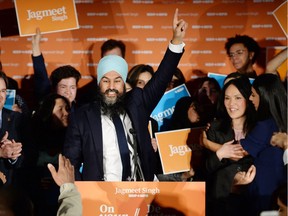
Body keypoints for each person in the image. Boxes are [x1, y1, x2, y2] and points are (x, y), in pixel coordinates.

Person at [63, 8, 187, 181]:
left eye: (117, 81)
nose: (111, 87)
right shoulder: (82, 117)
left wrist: (176, 41)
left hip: (141, 192)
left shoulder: (137, 103)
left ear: (124, 83)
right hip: (102, 199)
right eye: (106, 80)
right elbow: (71, 164)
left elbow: (161, 79)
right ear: (98, 83)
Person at [203, 75, 257, 216]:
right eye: (227, 98)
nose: (231, 103)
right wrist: (220, 153)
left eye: (238, 98)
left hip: (253, 199)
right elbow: (205, 169)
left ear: (248, 99)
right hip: (221, 201)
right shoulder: (215, 127)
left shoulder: (259, 128)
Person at [240, 73, 287, 215]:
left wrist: (208, 144)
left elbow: (238, 152)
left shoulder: (265, 125)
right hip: (281, 186)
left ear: (265, 96)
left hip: (265, 188)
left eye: (253, 95)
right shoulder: (283, 119)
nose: (249, 98)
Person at [30, 93, 71, 216]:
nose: (66, 113)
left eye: (67, 109)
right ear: (48, 113)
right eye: (60, 109)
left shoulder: (73, 138)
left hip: (64, 200)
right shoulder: (33, 138)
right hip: (38, 201)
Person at [31, 28, 82, 109]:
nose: (68, 92)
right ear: (54, 88)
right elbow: (40, 75)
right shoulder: (47, 111)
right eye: (63, 87)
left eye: (72, 87)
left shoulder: (83, 112)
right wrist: (35, 45)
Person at [77, 38, 127, 106]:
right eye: (107, 59)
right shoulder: (84, 94)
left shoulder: (134, 89)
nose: (112, 64)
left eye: (116, 59)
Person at [0, 71, 26, 186]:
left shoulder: (17, 119)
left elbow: (26, 157)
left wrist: (14, 155)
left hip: (7, 192)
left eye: (3, 91)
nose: (0, 96)